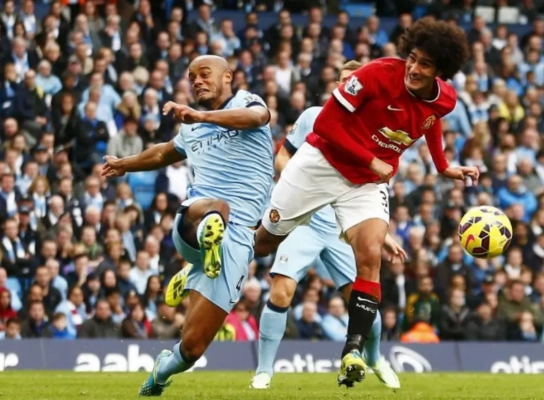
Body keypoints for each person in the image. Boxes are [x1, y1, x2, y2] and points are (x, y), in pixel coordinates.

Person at [254, 18, 478, 387]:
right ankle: (213, 256)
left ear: (441, 71)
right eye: (412, 58)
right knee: (263, 244)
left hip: (365, 183)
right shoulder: (377, 74)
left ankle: (353, 351)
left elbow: (430, 119)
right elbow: (325, 125)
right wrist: (370, 159)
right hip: (320, 165)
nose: (413, 68)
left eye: (425, 64)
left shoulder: (446, 99)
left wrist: (443, 166)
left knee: (371, 253)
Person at [101, 55, 273, 396]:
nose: (197, 81)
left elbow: (257, 117)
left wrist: (201, 115)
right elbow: (163, 153)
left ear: (228, 77)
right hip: (193, 219)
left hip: (237, 238)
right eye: (192, 77)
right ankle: (202, 249)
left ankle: (160, 373)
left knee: (192, 348)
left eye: (205, 74)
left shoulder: (247, 102)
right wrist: (124, 164)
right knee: (217, 207)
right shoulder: (191, 128)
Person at [250, 61, 400, 390]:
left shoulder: (375, 127)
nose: (348, 85)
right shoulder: (314, 116)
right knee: (282, 288)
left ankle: (374, 357)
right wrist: (297, 185)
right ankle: (264, 371)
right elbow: (283, 156)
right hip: (305, 219)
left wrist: (383, 234)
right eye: (344, 80)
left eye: (354, 80)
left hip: (341, 225)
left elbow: (369, 190)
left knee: (361, 295)